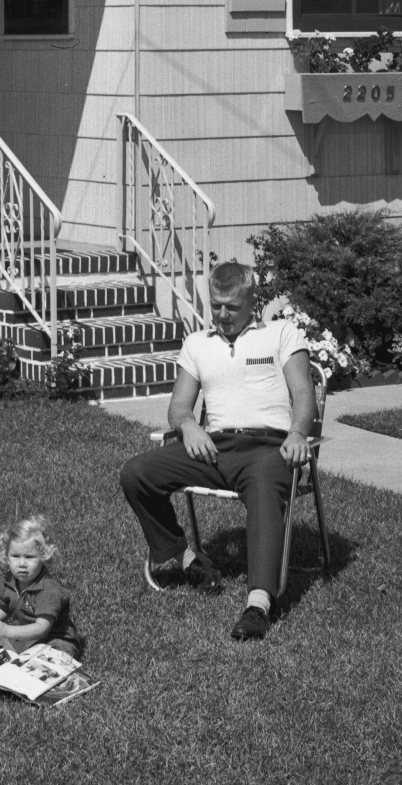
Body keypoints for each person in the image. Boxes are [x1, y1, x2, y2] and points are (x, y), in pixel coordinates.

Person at [118, 262, 316, 641]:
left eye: (232, 307)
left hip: (270, 448)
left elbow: (305, 395)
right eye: (216, 305)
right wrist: (188, 426)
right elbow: (179, 407)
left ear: (252, 301)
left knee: (262, 486)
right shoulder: (197, 344)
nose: (223, 315)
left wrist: (297, 433)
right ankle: (187, 559)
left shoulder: (281, 333)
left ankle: (258, 604)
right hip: (215, 448)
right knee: (136, 473)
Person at [0, 515, 85, 659]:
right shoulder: (8, 581)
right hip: (27, 638)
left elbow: (42, 628)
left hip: (55, 640)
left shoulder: (48, 590)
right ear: (6, 557)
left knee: (54, 660)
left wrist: (8, 630)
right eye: (15, 556)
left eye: (29, 557)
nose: (22, 563)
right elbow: (3, 607)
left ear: (43, 556)